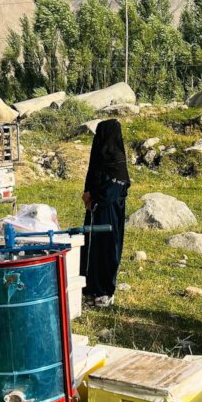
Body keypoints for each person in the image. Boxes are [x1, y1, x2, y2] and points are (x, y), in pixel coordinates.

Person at [81, 119, 130, 308]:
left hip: (109, 213)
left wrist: (94, 196)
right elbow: (93, 178)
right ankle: (90, 288)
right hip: (95, 211)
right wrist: (88, 194)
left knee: (107, 250)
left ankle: (104, 291)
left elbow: (115, 190)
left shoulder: (116, 160)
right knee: (91, 249)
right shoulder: (100, 159)